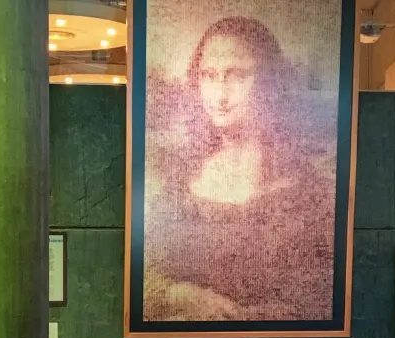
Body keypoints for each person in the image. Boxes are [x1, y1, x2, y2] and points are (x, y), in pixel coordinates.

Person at [142, 16, 337, 322]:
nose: (220, 94)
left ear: (269, 82)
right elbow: (144, 274)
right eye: (209, 75)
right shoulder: (181, 184)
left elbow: (318, 301)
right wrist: (180, 296)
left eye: (237, 75)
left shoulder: (310, 193)